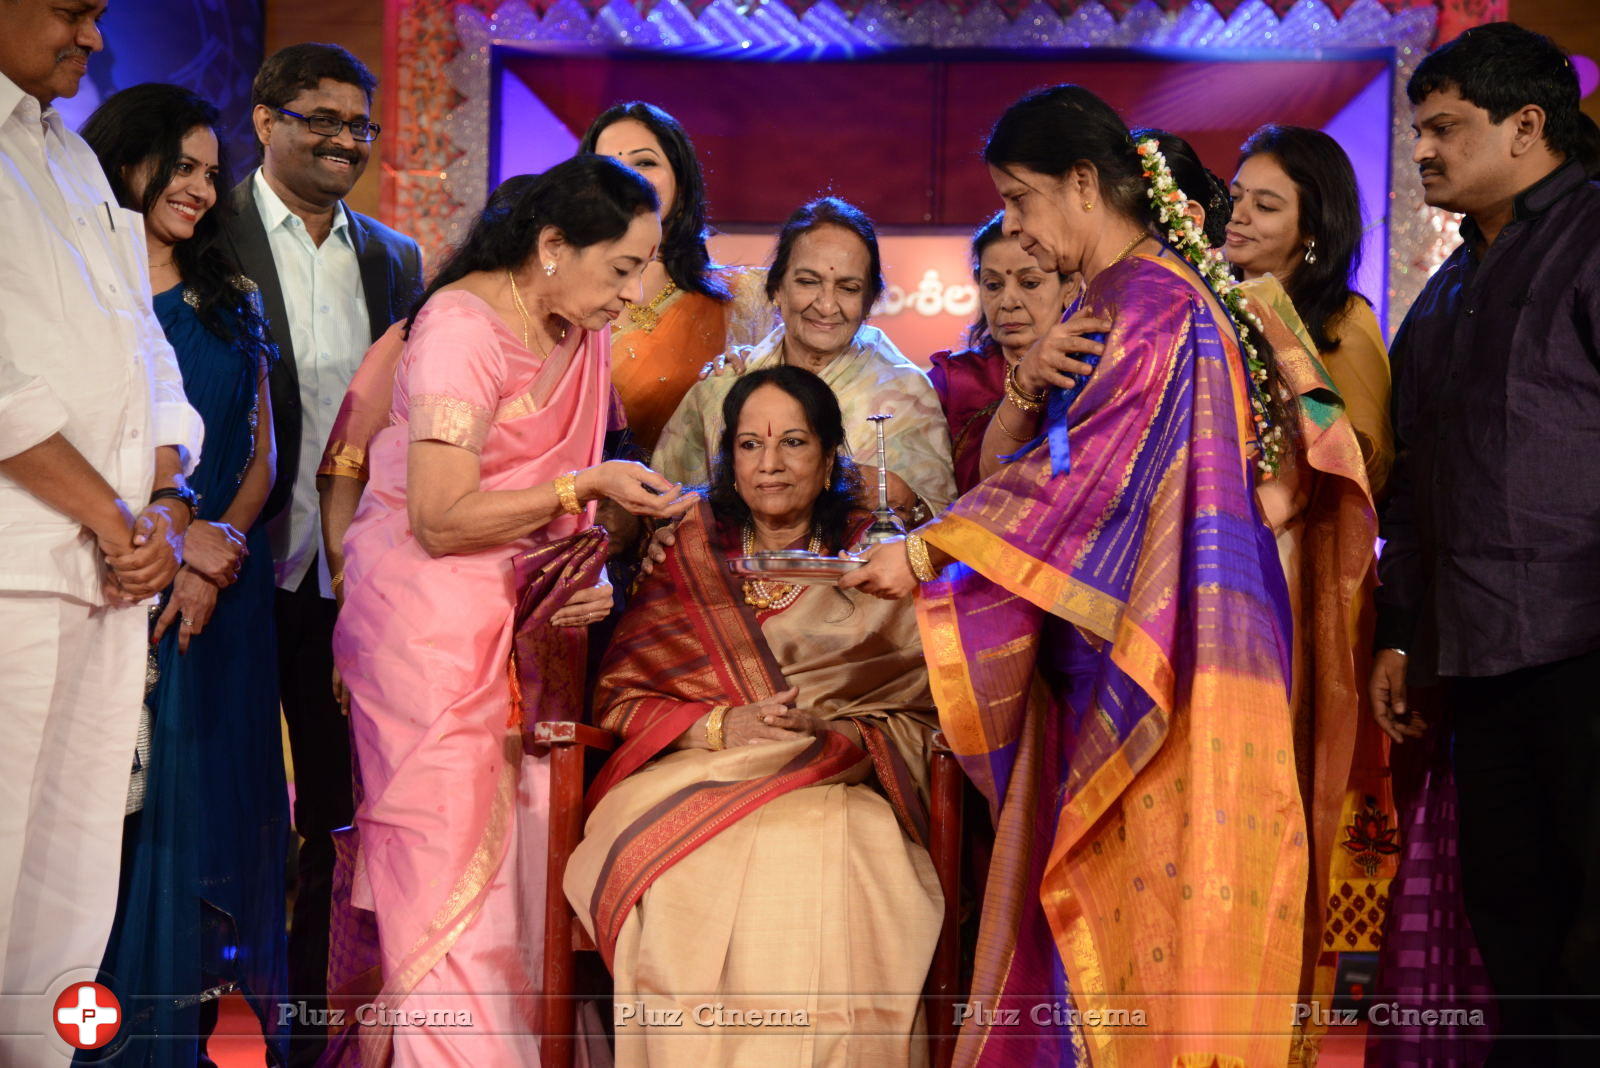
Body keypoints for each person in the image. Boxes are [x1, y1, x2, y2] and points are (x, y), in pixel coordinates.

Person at [845, 84, 1307, 1065]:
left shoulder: (1148, 305)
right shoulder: (1123, 297)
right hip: (1104, 646)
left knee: (1119, 908)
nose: (1012, 224)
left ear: (1084, 183)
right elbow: (1044, 466)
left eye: (1020, 197)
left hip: (1136, 661)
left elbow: (1089, 483)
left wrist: (926, 550)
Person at [333, 154, 695, 1066]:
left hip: (529, 632)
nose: (635, 292)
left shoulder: (580, 329)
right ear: (551, 246)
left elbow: (572, 505)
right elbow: (440, 515)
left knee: (525, 877)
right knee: (448, 874)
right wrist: (580, 489)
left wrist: (591, 557)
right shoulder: (461, 328)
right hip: (431, 637)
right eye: (622, 268)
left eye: (645, 269)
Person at [565, 366, 941, 1066]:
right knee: (681, 879)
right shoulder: (686, 549)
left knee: (851, 860)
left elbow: (923, 708)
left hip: (840, 781)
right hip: (699, 771)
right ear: (727, 459)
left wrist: (836, 738)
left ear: (831, 458)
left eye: (793, 443)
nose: (769, 464)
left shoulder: (876, 551)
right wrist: (719, 728)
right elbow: (621, 696)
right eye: (748, 445)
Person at [1369, 23, 1600, 1063]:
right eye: (1417, 131)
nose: (1421, 150)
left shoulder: (1591, 243)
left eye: (1444, 129)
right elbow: (1412, 485)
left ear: (1528, 126)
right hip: (1479, 659)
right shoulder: (1450, 288)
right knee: (1512, 922)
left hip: (1586, 650)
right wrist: (1402, 635)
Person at [0, 4, 204, 1061]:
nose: (90, 34)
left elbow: (147, 354)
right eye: (69, 8)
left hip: (112, 575)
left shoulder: (70, 158)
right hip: (18, 573)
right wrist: (117, 520)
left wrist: (166, 509)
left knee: (71, 881)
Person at [218, 42, 423, 1062]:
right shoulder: (205, 233)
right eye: (321, 118)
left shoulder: (394, 258)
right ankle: (194, 1004)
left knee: (335, 818)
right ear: (264, 120)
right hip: (230, 566)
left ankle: (309, 1026)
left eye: (360, 124)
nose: (345, 138)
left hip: (347, 584)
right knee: (224, 796)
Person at [80, 82, 288, 1066]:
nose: (202, 189)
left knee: (201, 816)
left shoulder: (226, 295)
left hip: (216, 606)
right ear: (129, 158)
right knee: (104, 823)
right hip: (105, 577)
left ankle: (175, 1037)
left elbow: (261, 455)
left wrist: (219, 549)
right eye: (184, 166)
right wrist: (172, 539)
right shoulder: (82, 284)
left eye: (214, 172)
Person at [656, 196, 956, 520]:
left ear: (870, 301)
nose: (826, 305)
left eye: (848, 288)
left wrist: (901, 498)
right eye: (808, 282)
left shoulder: (906, 395)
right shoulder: (720, 390)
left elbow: (939, 529)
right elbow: (663, 510)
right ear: (776, 289)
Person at [582, 101, 773, 454]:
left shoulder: (742, 301)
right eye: (608, 166)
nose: (627, 179)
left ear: (682, 185)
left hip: (688, 505)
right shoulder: (559, 300)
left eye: (645, 162)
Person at [1226, 123, 1392, 497]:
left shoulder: (1342, 318)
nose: (1238, 215)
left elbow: (1375, 469)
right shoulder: (1209, 303)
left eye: (1265, 206)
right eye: (1235, 197)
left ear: (1311, 230)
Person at [927, 213, 1072, 494]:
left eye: (1029, 283)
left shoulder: (1091, 372)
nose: (1007, 302)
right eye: (993, 285)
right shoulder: (950, 381)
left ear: (1070, 286)